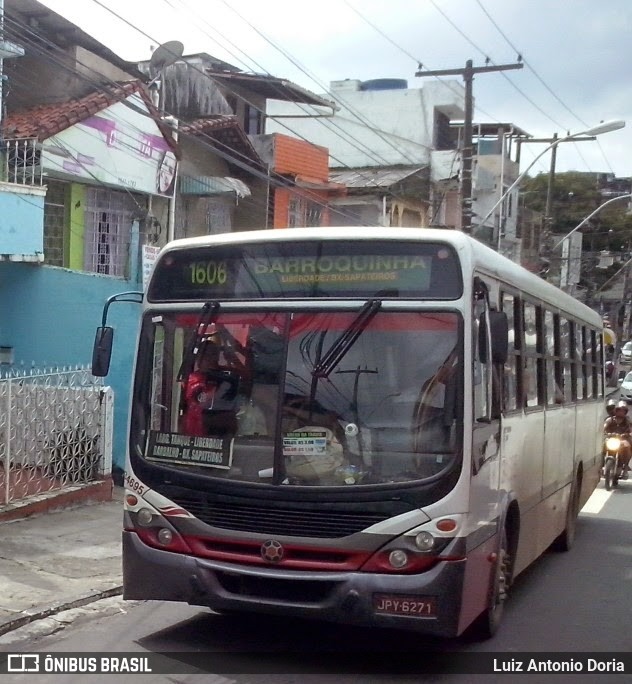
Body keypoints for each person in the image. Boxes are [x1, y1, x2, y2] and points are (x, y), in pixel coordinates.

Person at [603, 400, 632, 480]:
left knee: (627, 447)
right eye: (619, 410)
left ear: (625, 412)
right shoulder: (610, 420)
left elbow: (630, 430)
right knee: (601, 446)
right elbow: (603, 428)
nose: (620, 412)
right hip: (611, 439)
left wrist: (628, 434)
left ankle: (625, 467)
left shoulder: (627, 421)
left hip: (623, 440)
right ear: (616, 410)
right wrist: (605, 433)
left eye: (623, 411)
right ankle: (601, 464)